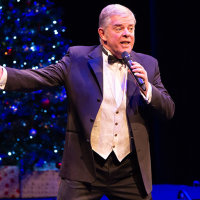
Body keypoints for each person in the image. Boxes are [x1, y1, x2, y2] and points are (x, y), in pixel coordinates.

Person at [0, 4, 175, 200]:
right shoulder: (77, 58)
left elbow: (168, 110)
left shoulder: (149, 64)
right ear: (103, 33)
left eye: (131, 28)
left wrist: (147, 89)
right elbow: (38, 77)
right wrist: (2, 75)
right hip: (84, 168)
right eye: (119, 28)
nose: (127, 34)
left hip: (130, 171)